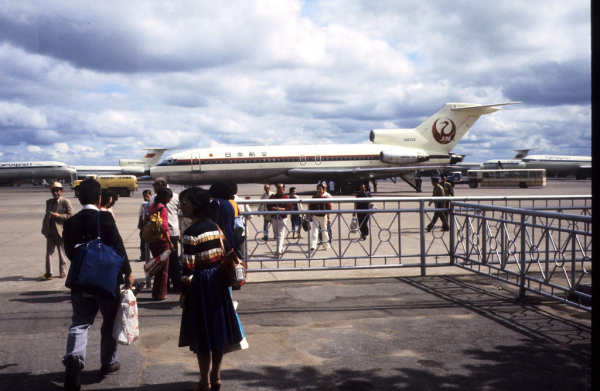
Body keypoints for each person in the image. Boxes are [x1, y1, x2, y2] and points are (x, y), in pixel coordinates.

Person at [61, 178, 133, 391]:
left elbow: (70, 253)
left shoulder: (70, 222)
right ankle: (108, 362)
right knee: (109, 323)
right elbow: (119, 248)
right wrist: (127, 272)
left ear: (78, 198)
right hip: (106, 282)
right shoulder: (105, 218)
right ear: (100, 197)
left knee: (80, 323)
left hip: (81, 281)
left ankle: (74, 359)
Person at [178, 187, 244, 391]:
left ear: (196, 205)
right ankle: (216, 377)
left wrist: (184, 292)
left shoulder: (190, 233)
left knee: (203, 335)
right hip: (218, 282)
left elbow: (188, 268)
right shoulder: (215, 227)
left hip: (200, 285)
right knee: (218, 333)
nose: (182, 206)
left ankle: (204, 380)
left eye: (185, 203)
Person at [151, 178, 182, 293]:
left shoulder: (153, 200)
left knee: (162, 262)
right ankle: (177, 284)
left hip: (158, 235)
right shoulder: (176, 196)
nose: (153, 187)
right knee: (173, 261)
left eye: (154, 185)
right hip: (171, 233)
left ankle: (165, 286)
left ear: (159, 185)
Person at [40, 182, 73, 280]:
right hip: (50, 231)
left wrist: (59, 216)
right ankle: (48, 273)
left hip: (60, 231)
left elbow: (71, 216)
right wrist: (44, 228)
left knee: (61, 252)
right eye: (53, 191)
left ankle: (63, 272)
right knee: (49, 252)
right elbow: (46, 216)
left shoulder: (65, 202)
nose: (55, 193)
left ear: (61, 191)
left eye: (57, 191)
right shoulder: (49, 202)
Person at [148, 187, 174, 300]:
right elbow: (164, 227)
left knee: (157, 266)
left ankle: (156, 292)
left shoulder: (152, 206)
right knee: (163, 269)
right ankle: (160, 294)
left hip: (153, 239)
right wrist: (170, 242)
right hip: (162, 241)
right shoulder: (162, 208)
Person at [209, 181, 236, 248]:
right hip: (229, 237)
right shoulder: (229, 203)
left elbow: (214, 222)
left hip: (220, 238)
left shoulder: (216, 202)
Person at [267, 184, 292, 256]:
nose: (278, 189)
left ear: (283, 189)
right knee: (278, 233)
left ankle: (278, 251)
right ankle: (282, 246)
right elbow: (268, 205)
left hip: (283, 218)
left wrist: (280, 209)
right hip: (274, 218)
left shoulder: (286, 198)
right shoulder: (272, 197)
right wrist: (271, 209)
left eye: (280, 188)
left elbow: (289, 208)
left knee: (280, 234)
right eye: (277, 188)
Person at [309, 184, 331, 251]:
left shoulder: (325, 198)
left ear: (323, 190)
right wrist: (310, 217)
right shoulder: (314, 197)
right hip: (315, 216)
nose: (319, 190)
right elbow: (311, 207)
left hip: (323, 216)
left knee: (324, 231)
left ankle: (326, 245)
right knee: (314, 231)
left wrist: (329, 217)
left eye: (320, 189)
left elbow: (329, 208)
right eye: (318, 189)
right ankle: (313, 246)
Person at [137, 190, 152, 262]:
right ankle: (143, 255)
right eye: (144, 196)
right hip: (144, 223)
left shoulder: (152, 203)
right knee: (143, 241)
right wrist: (139, 223)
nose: (146, 198)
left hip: (151, 223)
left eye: (147, 196)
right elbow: (141, 214)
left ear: (151, 196)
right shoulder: (143, 204)